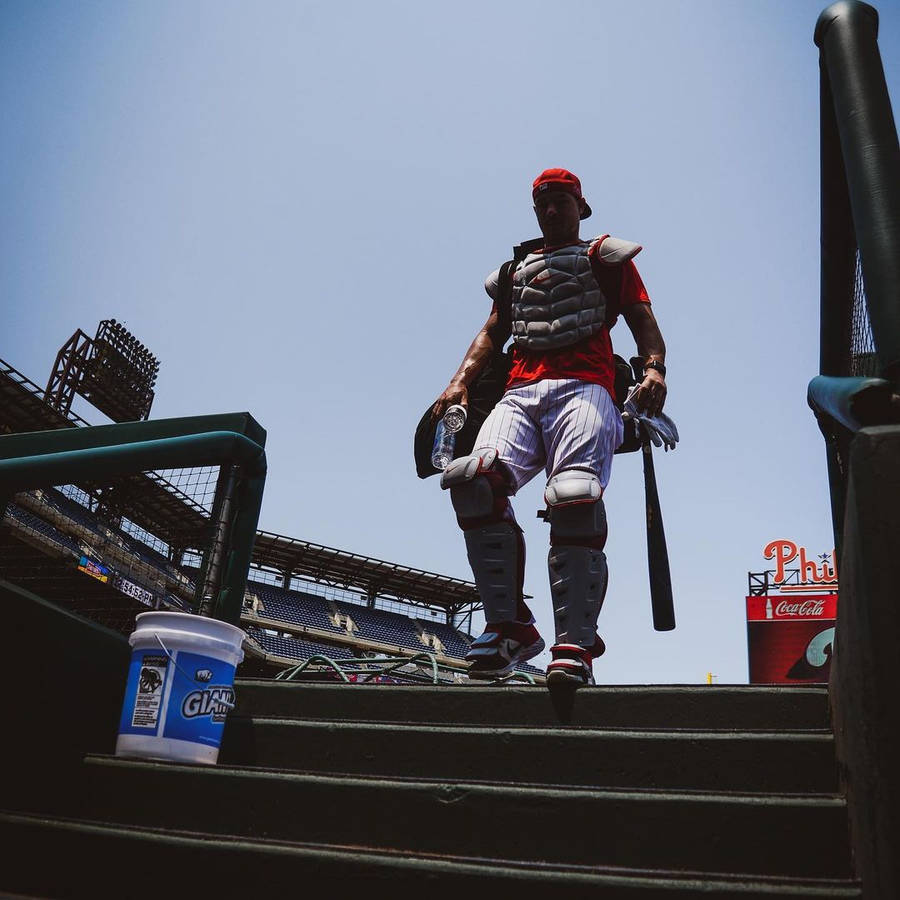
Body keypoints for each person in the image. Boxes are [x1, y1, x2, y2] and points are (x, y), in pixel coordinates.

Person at [431, 168, 675, 687]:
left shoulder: (605, 258)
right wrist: (458, 383)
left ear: (580, 207)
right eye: (542, 202)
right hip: (520, 392)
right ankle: (510, 627)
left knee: (574, 495)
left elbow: (642, 319)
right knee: (473, 480)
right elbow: (492, 332)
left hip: (586, 386)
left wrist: (654, 367)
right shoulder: (513, 270)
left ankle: (575, 645)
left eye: (561, 200)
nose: (551, 210)